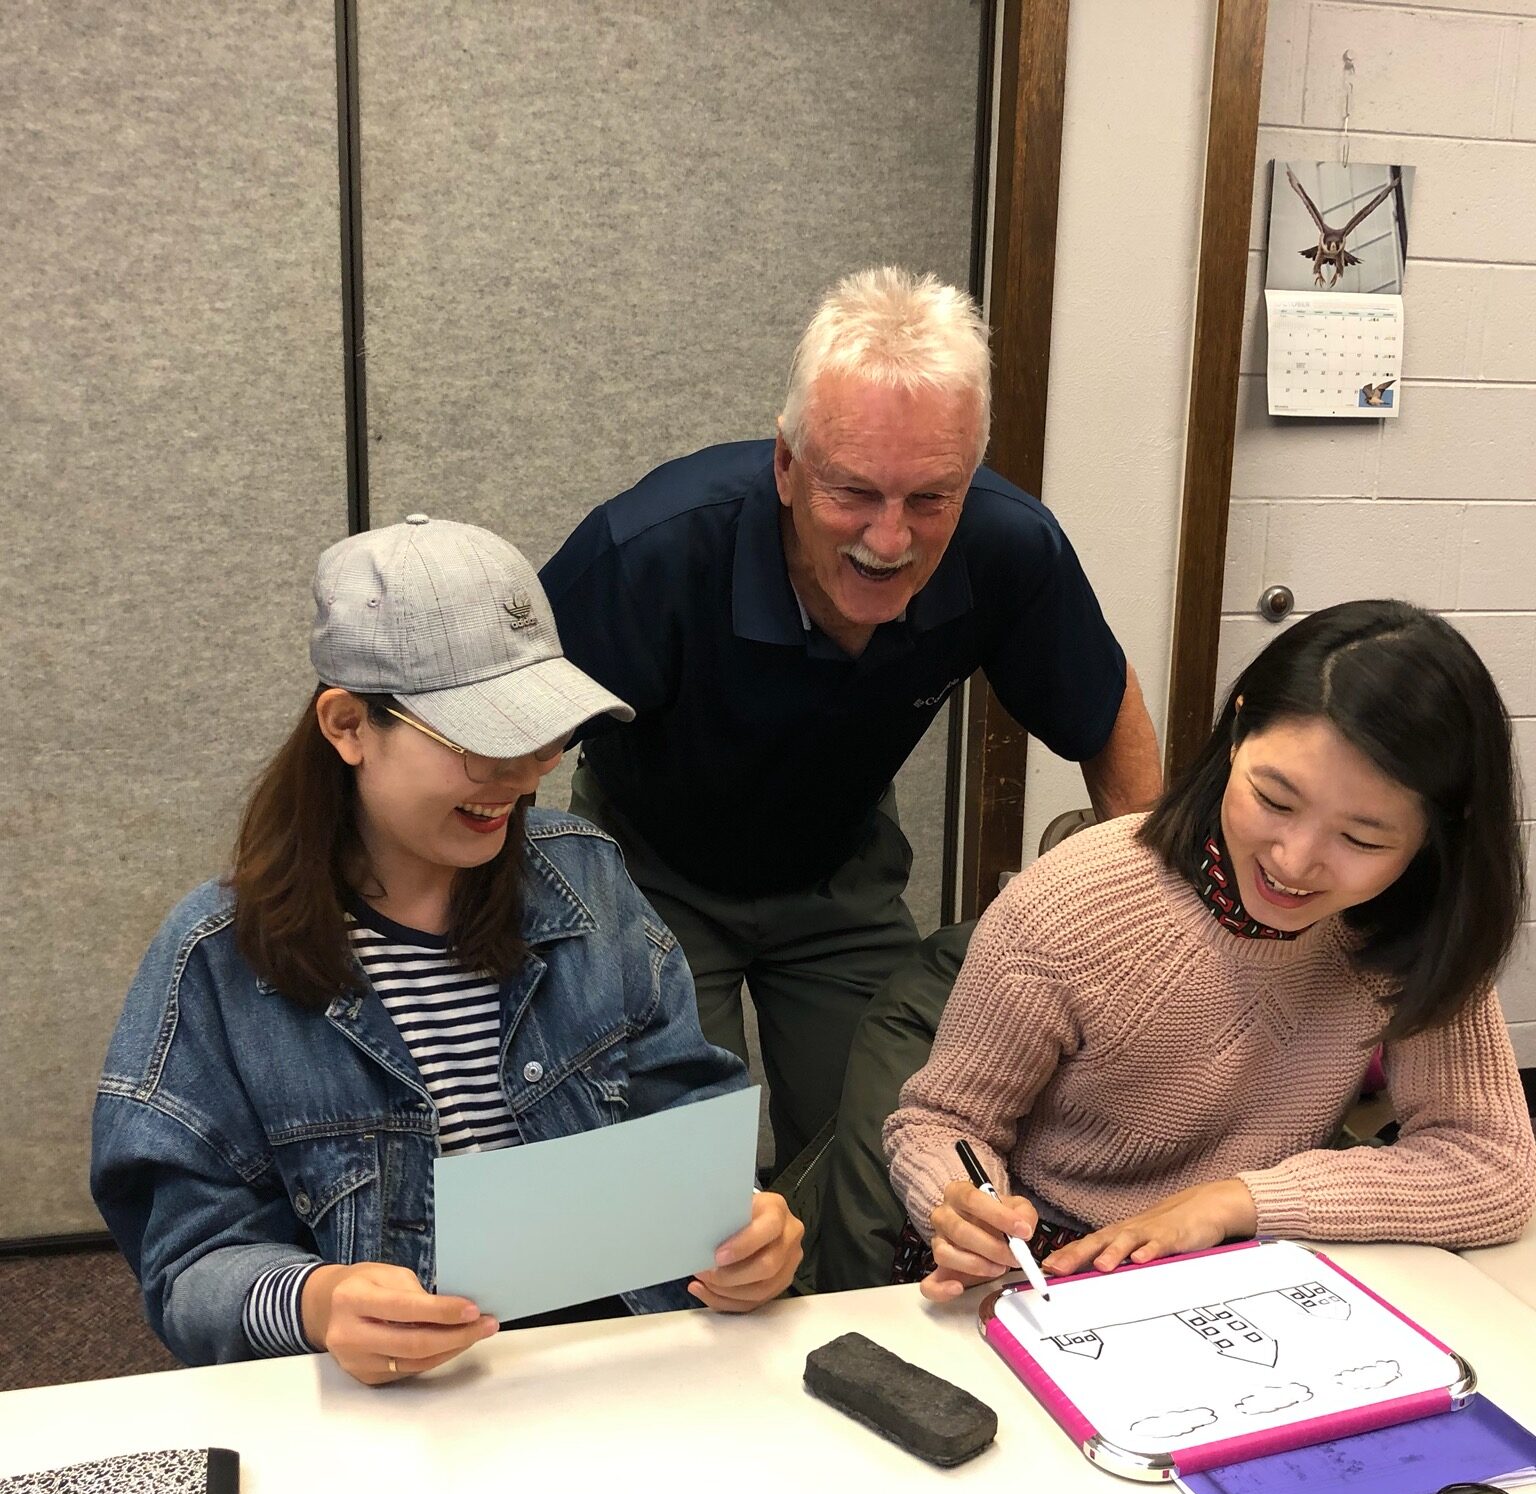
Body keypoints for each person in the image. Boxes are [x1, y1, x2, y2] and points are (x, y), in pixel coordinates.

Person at [91, 515, 802, 1379]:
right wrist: (317, 1302)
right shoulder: (216, 959)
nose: (522, 775)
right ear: (349, 725)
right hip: (394, 1402)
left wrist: (749, 1226)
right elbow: (185, 1267)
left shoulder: (587, 880)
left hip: (619, 1362)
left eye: (543, 735)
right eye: (480, 743)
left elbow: (684, 1110)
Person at [539, 267, 1162, 1190]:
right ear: (786, 465)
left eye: (929, 499)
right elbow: (499, 744)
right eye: (854, 492)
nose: (889, 537)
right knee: (676, 1181)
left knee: (881, 1153)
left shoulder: (1007, 545)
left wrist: (1149, 935)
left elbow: (1106, 718)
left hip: (838, 868)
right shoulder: (653, 551)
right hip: (648, 869)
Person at [885, 600, 1536, 1304]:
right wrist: (961, 1204)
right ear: (1238, 731)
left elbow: (1488, 1163)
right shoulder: (1077, 904)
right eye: (1275, 800)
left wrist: (1234, 1202)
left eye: (1362, 839)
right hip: (1047, 1267)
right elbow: (940, 1122)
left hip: (1252, 1270)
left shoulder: (1411, 925)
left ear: (1439, 834)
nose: (1295, 861)